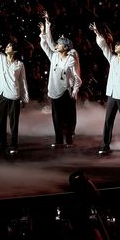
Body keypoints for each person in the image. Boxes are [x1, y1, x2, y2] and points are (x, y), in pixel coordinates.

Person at [89, 22, 120, 154]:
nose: (115, 46)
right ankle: (105, 144)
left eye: (117, 45)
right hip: (112, 94)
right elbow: (104, 47)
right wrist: (97, 33)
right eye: (115, 45)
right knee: (108, 120)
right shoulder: (113, 59)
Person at [39, 16, 82, 148]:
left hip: (66, 91)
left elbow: (76, 77)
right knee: (56, 117)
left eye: (59, 44)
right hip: (54, 90)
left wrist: (75, 90)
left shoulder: (71, 58)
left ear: (65, 47)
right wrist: (44, 30)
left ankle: (69, 139)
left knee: (69, 116)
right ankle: (58, 140)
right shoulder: (54, 56)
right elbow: (46, 44)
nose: (56, 45)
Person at [0, 38, 29, 154]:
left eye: (9, 46)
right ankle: (1, 143)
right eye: (7, 45)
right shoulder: (0, 58)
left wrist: (24, 98)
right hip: (0, 94)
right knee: (0, 121)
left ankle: (14, 144)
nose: (7, 47)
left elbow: (22, 81)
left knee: (14, 122)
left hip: (14, 95)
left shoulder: (19, 64)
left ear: (14, 51)